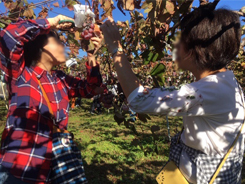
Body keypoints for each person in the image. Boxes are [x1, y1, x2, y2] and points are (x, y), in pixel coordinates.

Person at [101, 8, 244, 184]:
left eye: (180, 40)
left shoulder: (207, 91)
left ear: (196, 48)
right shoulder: (226, 83)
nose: (175, 46)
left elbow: (139, 99)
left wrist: (116, 48)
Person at [0, 15, 105, 183]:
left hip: (55, 168)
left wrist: (91, 55)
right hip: (21, 169)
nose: (63, 47)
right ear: (41, 47)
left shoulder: (61, 79)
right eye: (58, 42)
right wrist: (51, 23)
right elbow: (9, 36)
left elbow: (91, 89)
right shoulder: (21, 73)